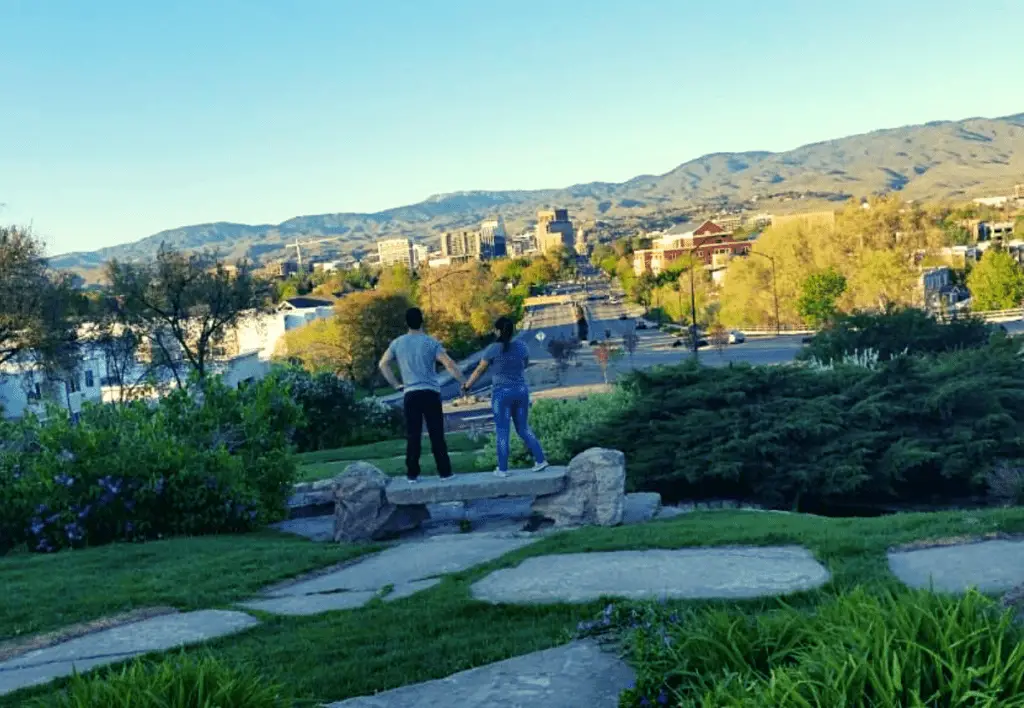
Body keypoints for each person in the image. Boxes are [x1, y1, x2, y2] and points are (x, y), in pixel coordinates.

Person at [378, 307, 467, 483]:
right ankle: (445, 472)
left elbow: (383, 364)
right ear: (422, 321)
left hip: (411, 394)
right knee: (436, 434)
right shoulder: (430, 342)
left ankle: (412, 474)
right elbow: (448, 363)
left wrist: (396, 385)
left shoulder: (398, 343)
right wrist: (463, 381)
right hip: (431, 393)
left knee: (413, 435)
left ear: (406, 323)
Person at [463, 316, 548, 478]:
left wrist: (467, 386)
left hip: (502, 393)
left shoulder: (492, 349)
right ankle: (540, 460)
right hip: (521, 391)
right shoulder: (522, 346)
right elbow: (525, 364)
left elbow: (479, 370)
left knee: (502, 431)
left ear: (497, 331)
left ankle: (502, 469)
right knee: (523, 429)